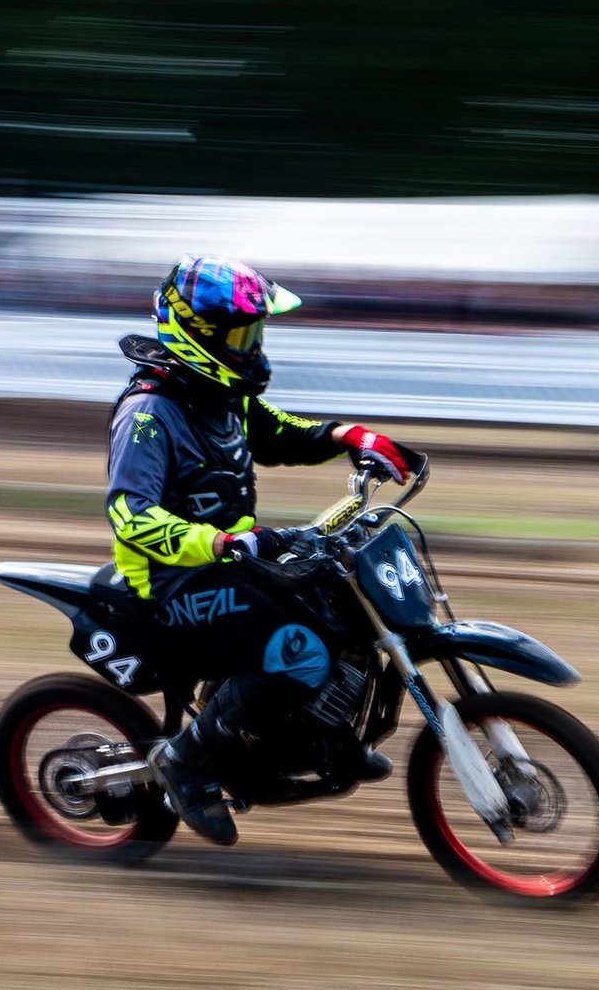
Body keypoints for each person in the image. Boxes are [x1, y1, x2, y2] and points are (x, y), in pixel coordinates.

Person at [107, 254, 413, 846]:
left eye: (256, 333)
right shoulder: (148, 414)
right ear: (200, 335)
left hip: (233, 561)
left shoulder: (224, 397)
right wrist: (222, 542)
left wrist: (350, 435)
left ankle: (321, 737)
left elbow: (279, 434)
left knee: (339, 608)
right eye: (242, 334)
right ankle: (186, 762)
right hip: (173, 580)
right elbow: (130, 516)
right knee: (297, 653)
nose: (253, 346)